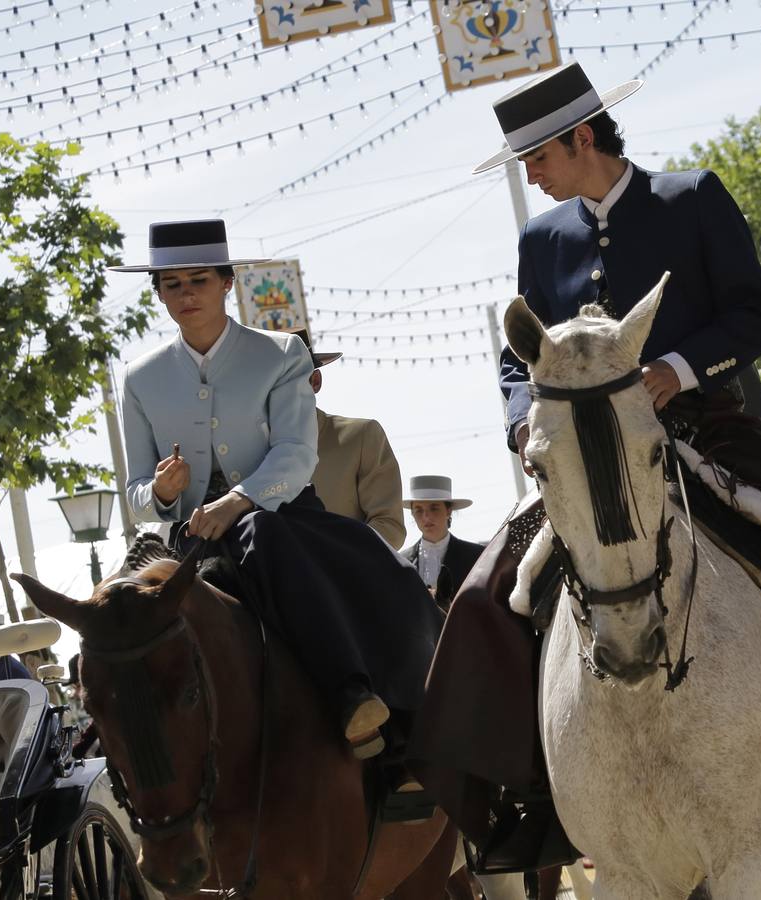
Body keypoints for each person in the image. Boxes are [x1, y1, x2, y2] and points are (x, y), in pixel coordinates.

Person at [420, 63, 761, 873]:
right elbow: (516, 357)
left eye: (536, 155)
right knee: (490, 588)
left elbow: (754, 314)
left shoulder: (691, 195)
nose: (529, 173)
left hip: (708, 428)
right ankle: (529, 786)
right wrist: (519, 415)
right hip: (586, 455)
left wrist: (676, 366)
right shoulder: (540, 240)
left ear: (581, 136)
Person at [111, 219, 440, 798]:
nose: (186, 294)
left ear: (227, 283)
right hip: (189, 538)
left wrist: (238, 500)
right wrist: (162, 492)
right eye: (171, 284)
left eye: (198, 280)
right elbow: (136, 495)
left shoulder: (281, 353)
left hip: (285, 521)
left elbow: (295, 452)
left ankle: (364, 705)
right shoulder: (139, 380)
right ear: (158, 293)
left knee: (369, 579)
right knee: (118, 618)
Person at [291, 328, 407, 550]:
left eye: (292, 380)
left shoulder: (361, 437)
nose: (282, 392)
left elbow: (389, 527)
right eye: (273, 382)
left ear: (315, 381)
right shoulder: (251, 450)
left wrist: (333, 559)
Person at [402, 475, 486, 610]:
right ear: (412, 513)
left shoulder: (478, 557)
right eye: (418, 510)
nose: (426, 517)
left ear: (449, 511)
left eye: (434, 508)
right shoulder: (401, 562)